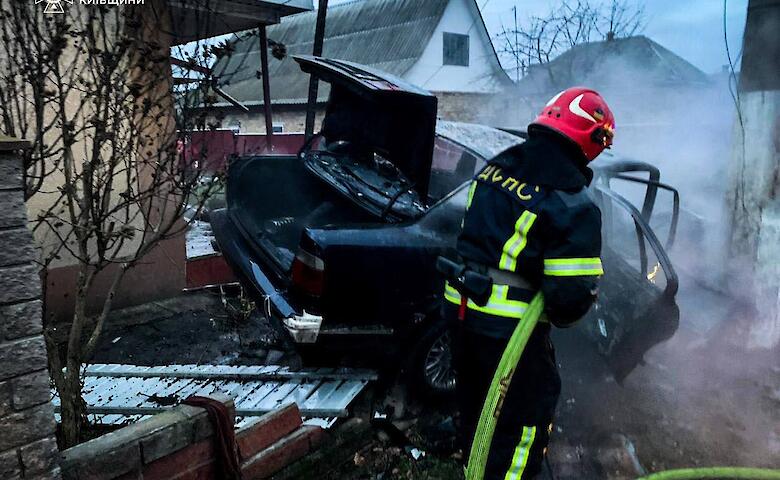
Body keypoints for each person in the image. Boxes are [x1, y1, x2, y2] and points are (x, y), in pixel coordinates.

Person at [443, 87, 615, 479]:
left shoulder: (498, 164)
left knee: (475, 405)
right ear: (591, 137)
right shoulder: (572, 198)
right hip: (508, 330)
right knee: (524, 419)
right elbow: (569, 300)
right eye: (603, 140)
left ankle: (477, 466)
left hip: (459, 309)